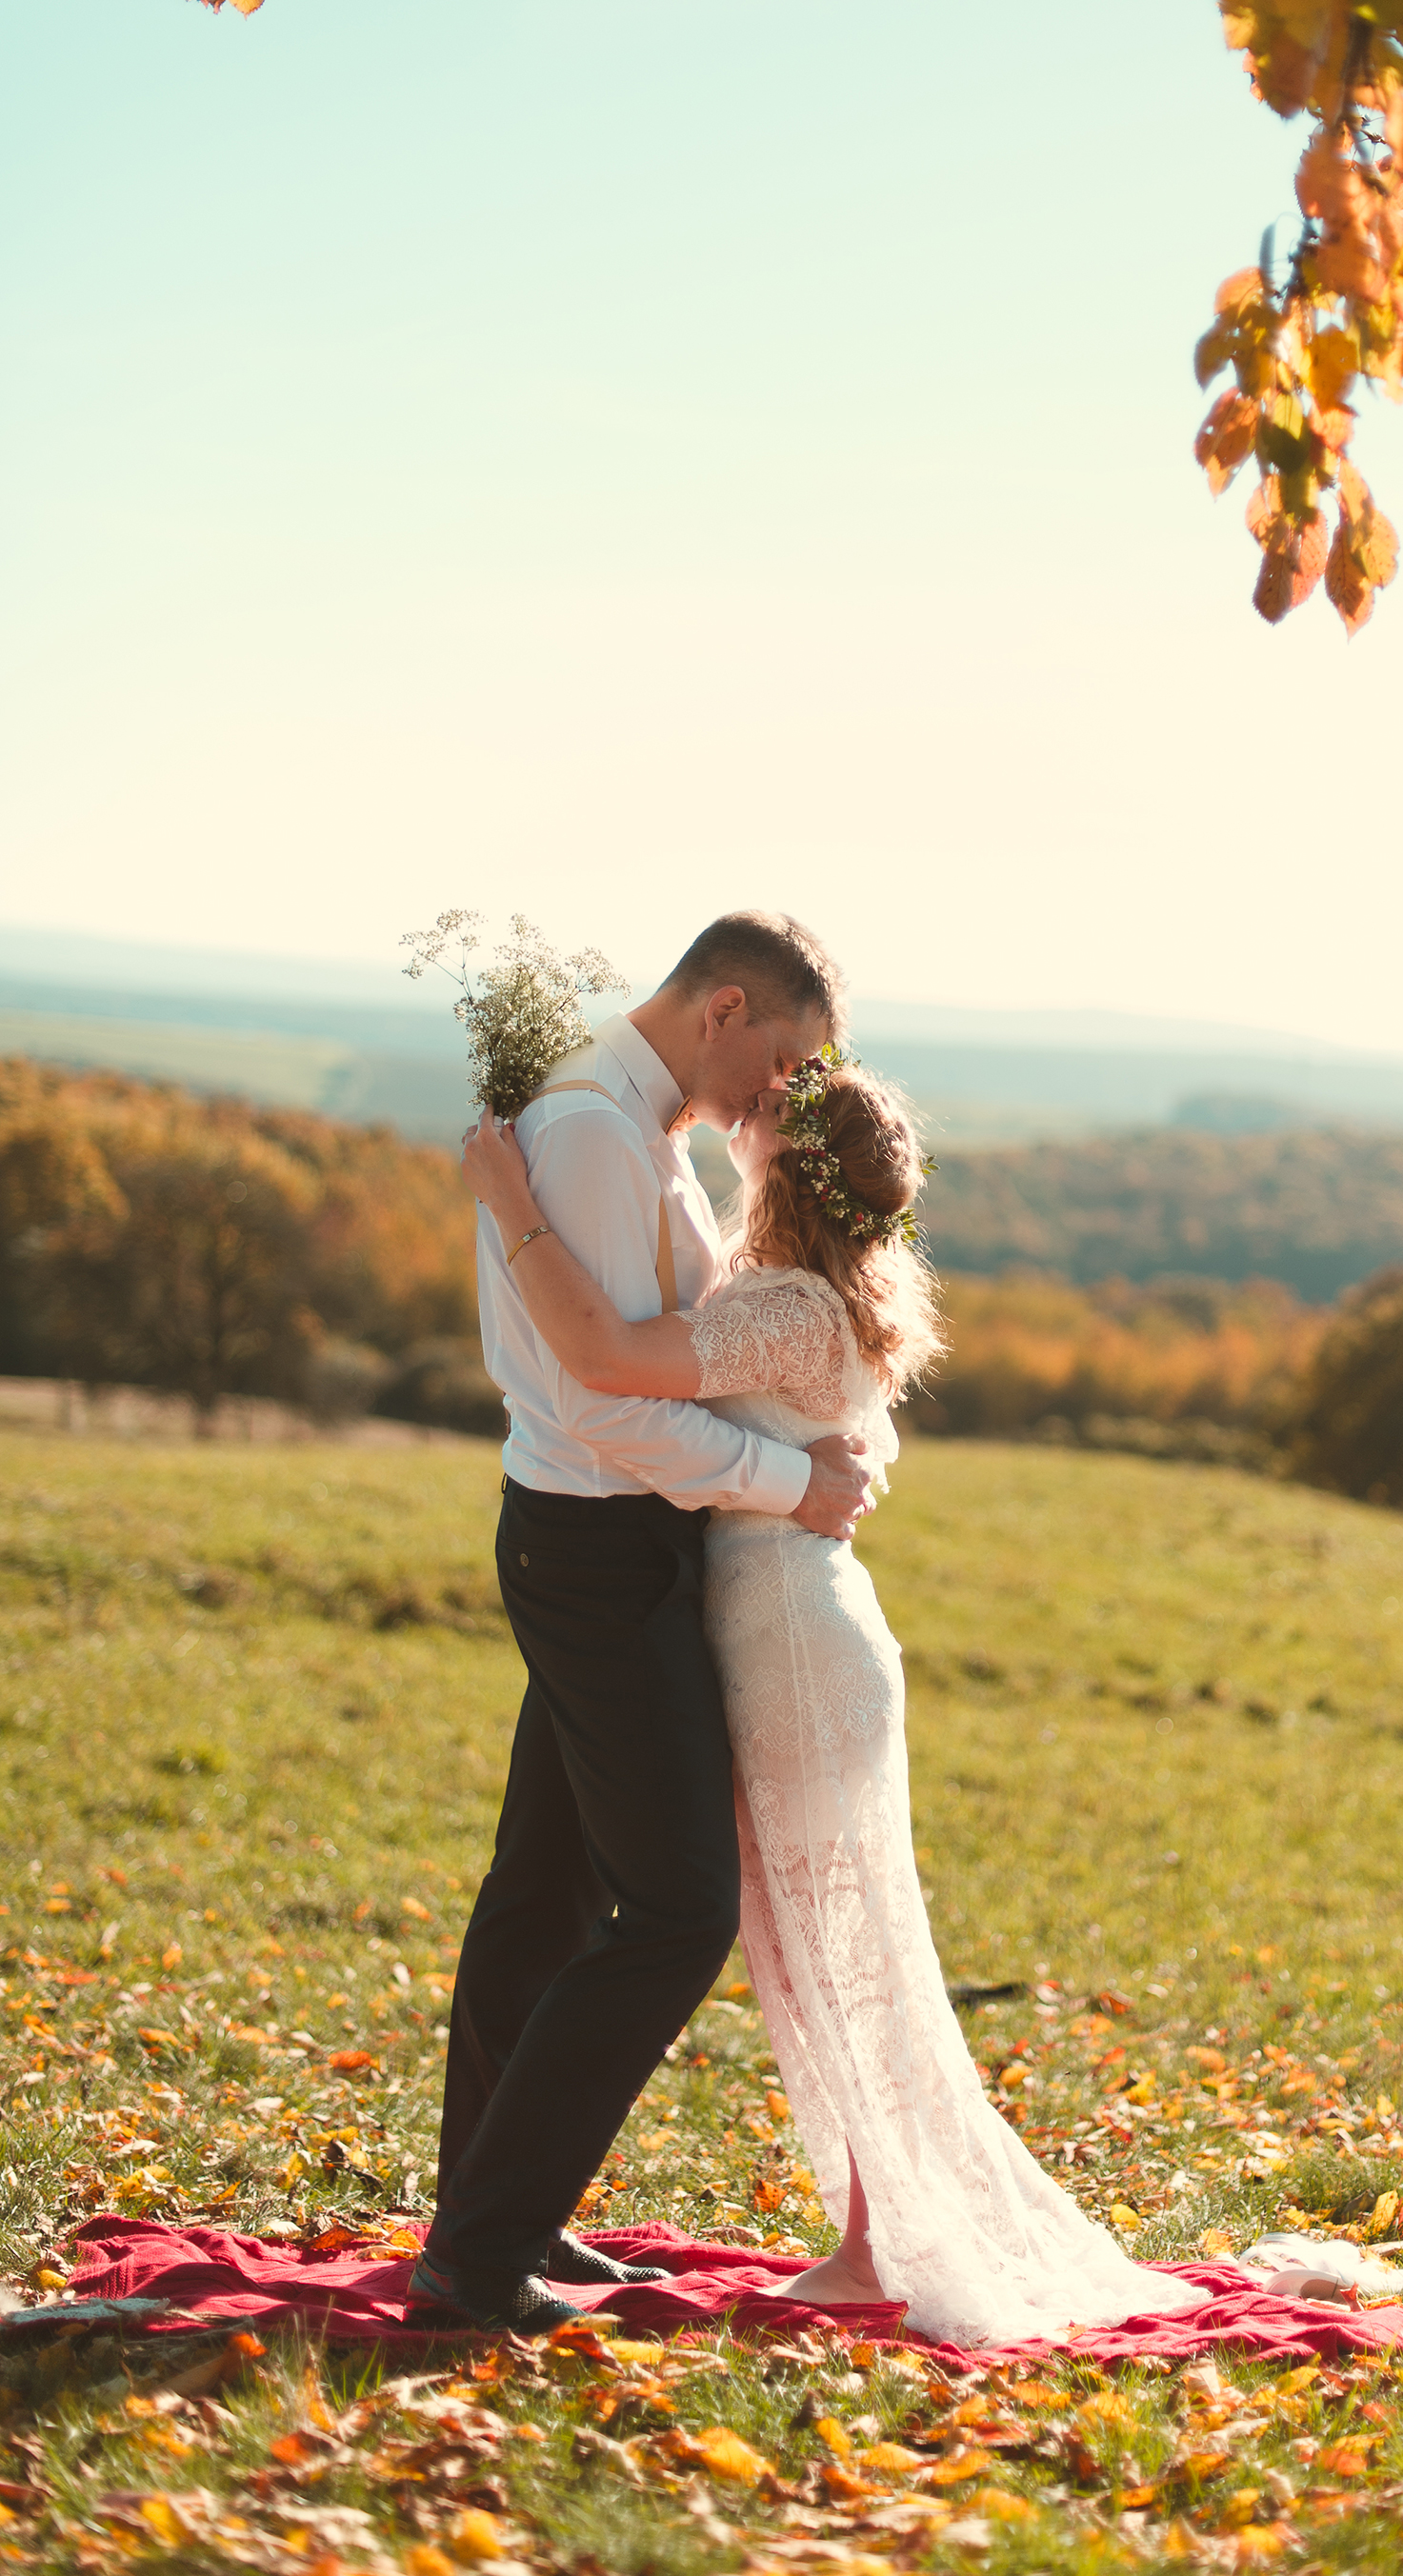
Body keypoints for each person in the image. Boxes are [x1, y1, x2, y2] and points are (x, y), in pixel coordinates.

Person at [457, 1045, 1214, 2346]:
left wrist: (510, 1203)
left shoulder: (785, 1310)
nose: (731, 1121)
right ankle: (866, 2235)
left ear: (785, 1167)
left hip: (791, 1639)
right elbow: (837, 1428)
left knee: (831, 1937)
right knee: (825, 1935)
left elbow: (605, 1356)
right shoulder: (822, 1298)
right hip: (803, 1623)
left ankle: (877, 2245)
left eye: (750, 1123)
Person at [410, 912, 876, 2335]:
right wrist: (789, 1482)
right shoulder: (601, 1137)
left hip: (615, 1546)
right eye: (784, 1057)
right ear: (725, 1004)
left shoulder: (638, 1125)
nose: (782, 1095)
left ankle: (496, 2215)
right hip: (599, 1549)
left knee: (543, 1891)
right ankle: (481, 2254)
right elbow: (610, 1399)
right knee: (677, 1912)